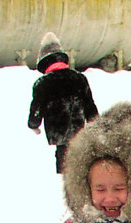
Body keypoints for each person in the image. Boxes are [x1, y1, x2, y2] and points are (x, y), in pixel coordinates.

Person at [28, 32, 99, 174]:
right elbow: (90, 106)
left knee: (63, 167)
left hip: (58, 134)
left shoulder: (42, 83)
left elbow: (37, 109)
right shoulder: (79, 79)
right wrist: (95, 124)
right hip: (79, 132)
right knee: (80, 164)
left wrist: (34, 125)